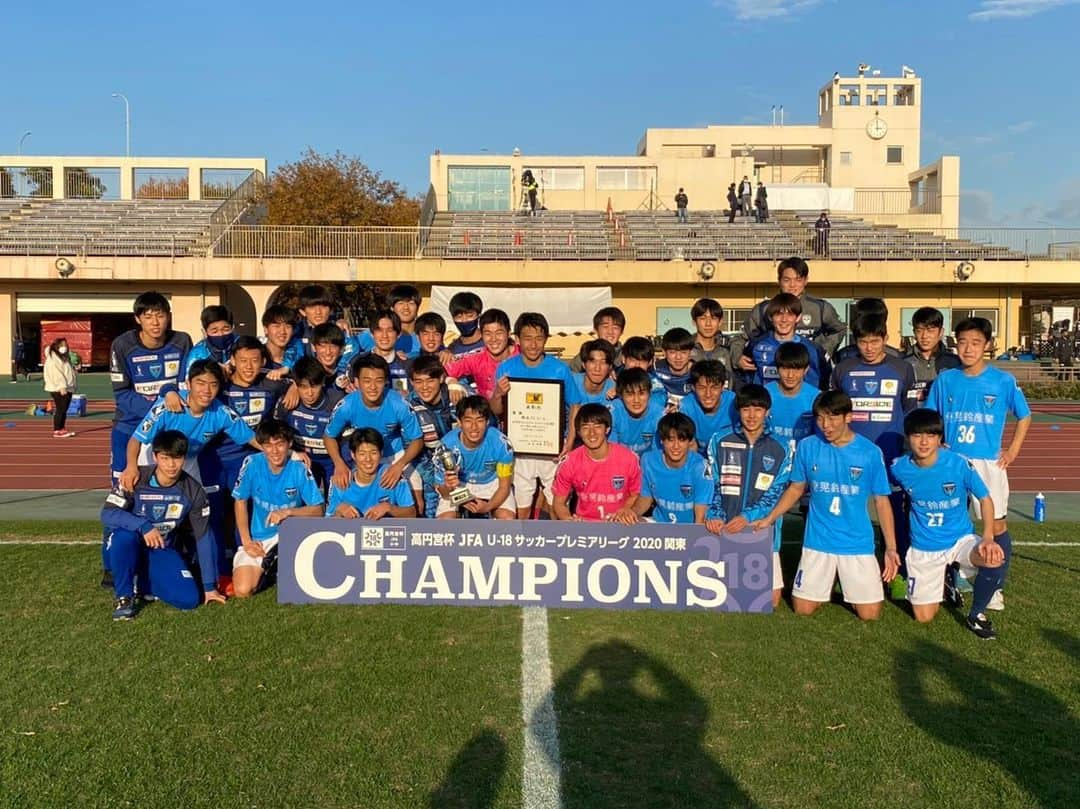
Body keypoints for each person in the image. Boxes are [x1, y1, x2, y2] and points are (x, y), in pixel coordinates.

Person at [754, 391, 900, 621]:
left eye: (832, 418)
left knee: (870, 615)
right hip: (818, 541)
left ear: (848, 417)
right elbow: (795, 488)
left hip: (856, 544)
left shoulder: (870, 453)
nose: (826, 425)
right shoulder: (807, 446)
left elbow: (882, 501)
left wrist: (891, 548)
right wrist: (770, 518)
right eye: (821, 418)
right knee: (802, 609)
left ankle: (847, 583)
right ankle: (829, 583)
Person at [926, 317, 1031, 611]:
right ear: (955, 344)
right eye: (962, 342)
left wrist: (1012, 451)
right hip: (952, 462)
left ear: (986, 346)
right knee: (952, 522)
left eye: (975, 343)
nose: (968, 349)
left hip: (988, 464)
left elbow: (1024, 416)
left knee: (995, 524)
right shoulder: (946, 379)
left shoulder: (1002, 380)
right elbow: (930, 418)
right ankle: (950, 579)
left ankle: (994, 585)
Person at [891, 409, 1009, 639]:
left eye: (931, 435)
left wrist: (987, 537)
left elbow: (985, 499)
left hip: (959, 540)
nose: (924, 442)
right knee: (923, 617)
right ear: (907, 437)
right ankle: (947, 583)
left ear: (940, 439)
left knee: (994, 557)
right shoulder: (899, 468)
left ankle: (976, 615)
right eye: (917, 435)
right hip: (924, 547)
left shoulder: (958, 463)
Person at [104, 291, 192, 587]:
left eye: (161, 314)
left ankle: (176, 551)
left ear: (169, 315)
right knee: (123, 492)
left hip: (168, 432)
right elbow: (122, 396)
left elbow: (184, 385)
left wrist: (171, 396)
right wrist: (160, 402)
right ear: (138, 319)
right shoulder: (123, 345)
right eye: (148, 316)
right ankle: (112, 563)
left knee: (175, 490)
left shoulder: (182, 341)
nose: (155, 322)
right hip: (129, 430)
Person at [831, 312, 917, 594]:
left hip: (890, 455)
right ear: (855, 342)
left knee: (893, 514)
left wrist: (909, 449)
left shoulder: (902, 369)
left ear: (885, 339)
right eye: (863, 342)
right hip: (849, 454)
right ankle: (840, 573)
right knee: (845, 512)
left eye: (874, 341)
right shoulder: (843, 369)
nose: (869, 347)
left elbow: (910, 413)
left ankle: (899, 572)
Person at [102, 430, 224, 621]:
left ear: (184, 458)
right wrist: (143, 526)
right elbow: (108, 513)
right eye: (165, 458)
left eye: (177, 458)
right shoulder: (136, 477)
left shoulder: (194, 490)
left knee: (189, 599)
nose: (171, 465)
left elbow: (203, 537)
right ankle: (124, 597)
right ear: (155, 456)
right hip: (127, 542)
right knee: (123, 537)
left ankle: (140, 580)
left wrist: (209, 587)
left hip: (160, 548)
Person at [705, 385, 791, 608]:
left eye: (757, 409)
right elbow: (712, 483)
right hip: (725, 525)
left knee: (770, 603)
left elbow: (776, 493)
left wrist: (747, 516)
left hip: (760, 528)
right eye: (746, 409)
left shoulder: (782, 447)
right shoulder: (720, 439)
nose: (751, 416)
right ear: (738, 411)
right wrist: (715, 514)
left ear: (767, 411)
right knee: (714, 596)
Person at [491, 312, 582, 519]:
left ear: (546, 339)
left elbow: (575, 404)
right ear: (517, 339)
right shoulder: (506, 368)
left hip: (553, 449)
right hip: (519, 449)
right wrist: (498, 393)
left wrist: (569, 441)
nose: (533, 344)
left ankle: (555, 546)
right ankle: (523, 548)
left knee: (556, 505)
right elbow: (496, 410)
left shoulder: (559, 369)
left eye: (539, 338)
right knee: (522, 506)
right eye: (527, 338)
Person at [232, 419, 324, 598]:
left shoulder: (299, 467)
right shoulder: (251, 463)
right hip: (261, 538)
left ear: (289, 444)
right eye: (268, 445)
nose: (274, 451)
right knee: (243, 590)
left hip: (291, 535)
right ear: (261, 446)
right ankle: (272, 569)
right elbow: (240, 501)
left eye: (280, 444)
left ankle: (280, 559)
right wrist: (247, 542)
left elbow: (318, 510)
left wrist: (288, 512)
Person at [323, 354, 424, 502]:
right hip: (363, 458)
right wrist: (339, 464)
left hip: (394, 456)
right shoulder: (346, 405)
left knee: (417, 502)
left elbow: (417, 439)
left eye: (378, 381)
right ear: (357, 382)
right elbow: (328, 436)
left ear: (386, 382)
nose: (373, 387)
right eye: (367, 381)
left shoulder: (399, 404)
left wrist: (399, 466)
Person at [731, 257, 847, 371]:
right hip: (771, 369)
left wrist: (823, 351)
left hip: (808, 370)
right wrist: (737, 358)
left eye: (798, 280)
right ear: (779, 280)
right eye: (787, 280)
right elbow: (741, 338)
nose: (792, 285)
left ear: (806, 280)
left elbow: (839, 329)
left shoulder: (820, 308)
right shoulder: (763, 309)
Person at [551, 404, 641, 523]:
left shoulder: (629, 458)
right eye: (585, 428)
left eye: (597, 426)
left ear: (607, 429)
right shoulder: (570, 462)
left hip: (620, 524)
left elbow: (637, 494)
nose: (591, 433)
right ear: (578, 432)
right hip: (585, 526)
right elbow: (559, 503)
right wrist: (568, 519)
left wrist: (626, 510)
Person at [434, 396, 516, 519]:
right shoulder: (445, 447)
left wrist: (488, 507)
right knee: (445, 521)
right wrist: (455, 492)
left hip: (492, 483)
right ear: (459, 422)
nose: (474, 427)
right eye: (468, 420)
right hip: (459, 485)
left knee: (507, 519)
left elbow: (504, 486)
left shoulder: (502, 444)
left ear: (487, 422)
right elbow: (443, 491)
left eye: (479, 420)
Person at [276, 356, 346, 491]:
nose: (309, 393)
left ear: (323, 382)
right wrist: (292, 453)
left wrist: (341, 463)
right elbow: (277, 436)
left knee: (339, 497)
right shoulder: (287, 403)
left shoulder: (338, 402)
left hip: (331, 460)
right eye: (303, 387)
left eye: (314, 386)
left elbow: (347, 440)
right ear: (295, 385)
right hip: (301, 459)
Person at [634, 413, 711, 524]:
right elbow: (645, 499)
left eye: (681, 440)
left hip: (689, 528)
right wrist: (631, 513)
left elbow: (700, 518)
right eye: (670, 440)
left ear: (689, 442)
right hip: (659, 523)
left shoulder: (701, 468)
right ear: (662, 440)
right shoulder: (648, 460)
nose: (676, 446)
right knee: (626, 523)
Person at [406, 355, 458, 517]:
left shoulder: (459, 395)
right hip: (431, 472)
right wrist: (437, 479)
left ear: (442, 378)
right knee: (433, 516)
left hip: (468, 469)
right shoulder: (408, 407)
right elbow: (413, 450)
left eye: (430, 380)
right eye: (418, 382)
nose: (424, 387)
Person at [327, 429, 417, 520]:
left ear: (381, 453)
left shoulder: (392, 475)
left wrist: (389, 508)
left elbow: (412, 513)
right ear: (353, 455)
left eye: (373, 453)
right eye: (362, 454)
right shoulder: (341, 480)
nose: (368, 459)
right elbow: (326, 522)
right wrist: (339, 511)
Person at [745, 293, 827, 389]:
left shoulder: (812, 349)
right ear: (770, 317)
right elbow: (743, 376)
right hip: (764, 402)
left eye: (790, 314)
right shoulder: (756, 345)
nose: (784, 319)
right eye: (779, 314)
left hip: (802, 403)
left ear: (798, 317)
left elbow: (824, 379)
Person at [444, 308, 517, 401]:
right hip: (487, 413)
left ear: (509, 333)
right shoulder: (475, 357)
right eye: (488, 334)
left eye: (499, 333)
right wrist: (451, 382)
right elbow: (440, 370)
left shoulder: (523, 355)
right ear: (481, 335)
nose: (493, 339)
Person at [764, 342, 819, 454]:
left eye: (796, 369)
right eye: (785, 368)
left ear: (806, 369)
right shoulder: (765, 394)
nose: (790, 375)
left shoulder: (816, 397)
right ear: (777, 368)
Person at [903, 306, 961, 406]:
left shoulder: (955, 363)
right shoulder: (903, 363)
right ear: (914, 332)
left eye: (930, 330)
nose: (924, 336)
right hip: (912, 419)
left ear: (941, 332)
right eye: (919, 330)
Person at [677, 360, 735, 455]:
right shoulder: (686, 406)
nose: (708, 394)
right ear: (694, 388)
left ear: (722, 387)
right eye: (702, 388)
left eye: (714, 387)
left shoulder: (733, 403)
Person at [608, 368, 667, 454]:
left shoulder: (659, 415)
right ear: (620, 395)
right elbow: (612, 452)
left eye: (641, 393)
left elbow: (657, 455)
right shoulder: (613, 413)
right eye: (630, 394)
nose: (636, 400)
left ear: (650, 394)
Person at [183, 304, 236, 378]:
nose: (220, 334)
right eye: (214, 331)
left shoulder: (241, 345)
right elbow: (189, 383)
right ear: (204, 332)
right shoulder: (197, 354)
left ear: (232, 328)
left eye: (225, 330)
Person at [570, 307, 625, 373]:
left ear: (621, 332)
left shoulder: (626, 356)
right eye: (605, 327)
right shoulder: (584, 355)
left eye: (615, 327)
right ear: (596, 330)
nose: (610, 332)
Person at [43, 337, 77, 438]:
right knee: (61, 409)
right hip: (59, 388)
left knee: (63, 409)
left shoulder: (62, 357)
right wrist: (62, 386)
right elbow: (57, 374)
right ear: (56, 346)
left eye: (65, 345)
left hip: (67, 387)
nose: (64, 347)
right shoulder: (54, 358)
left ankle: (61, 428)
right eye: (62, 345)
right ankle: (57, 430)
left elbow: (66, 370)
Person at [653, 327, 696, 408]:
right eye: (672, 352)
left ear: (691, 352)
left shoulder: (698, 373)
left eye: (683, 352)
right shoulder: (655, 369)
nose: (678, 357)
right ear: (664, 352)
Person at [689, 298, 732, 373]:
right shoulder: (685, 349)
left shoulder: (729, 350)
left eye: (713, 318)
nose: (708, 324)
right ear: (694, 322)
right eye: (703, 318)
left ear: (720, 322)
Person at [574, 339, 616, 405]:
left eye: (603, 362)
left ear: (610, 367)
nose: (597, 368)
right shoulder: (571, 384)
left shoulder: (615, 391)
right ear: (583, 365)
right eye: (592, 362)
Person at [445, 291, 485, 360]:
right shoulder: (451, 350)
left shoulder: (491, 342)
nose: (464, 320)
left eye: (470, 316)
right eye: (459, 316)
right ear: (453, 318)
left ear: (479, 315)